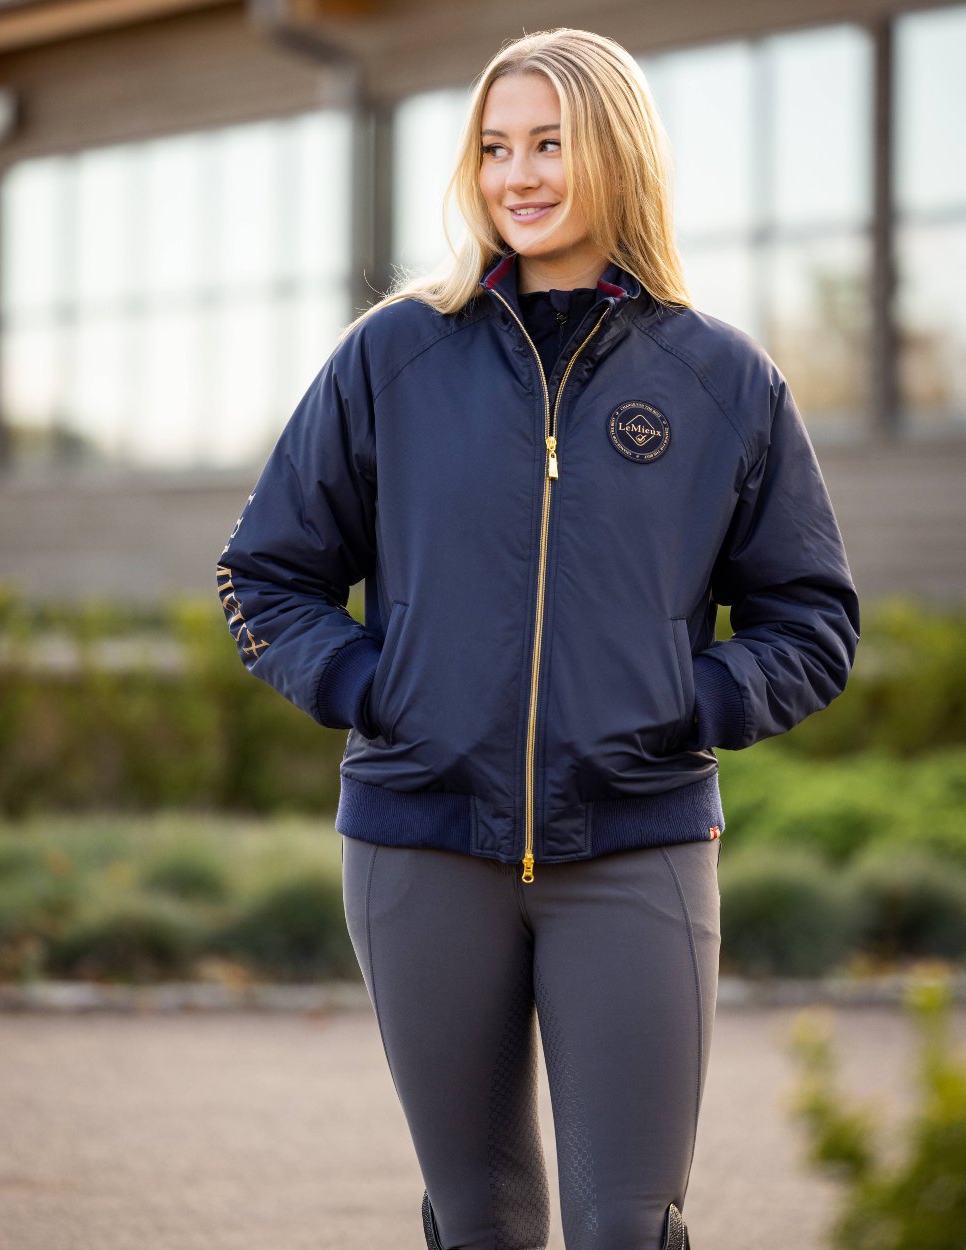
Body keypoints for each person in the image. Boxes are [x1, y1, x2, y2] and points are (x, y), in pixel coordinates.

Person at [216, 26, 859, 1250]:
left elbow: (812, 617)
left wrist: (689, 700)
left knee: (631, 1221)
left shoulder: (722, 378)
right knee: (480, 1218)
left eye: (550, 143)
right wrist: (374, 682)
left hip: (636, 846)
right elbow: (266, 573)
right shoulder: (392, 356)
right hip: (419, 839)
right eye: (495, 146)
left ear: (614, 152)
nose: (518, 174)